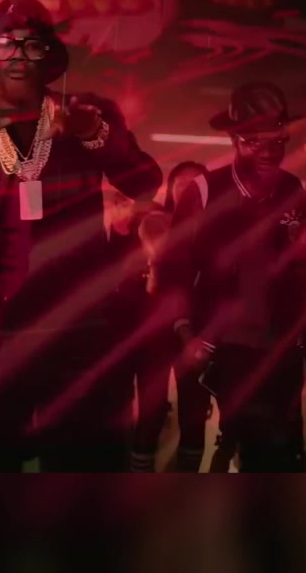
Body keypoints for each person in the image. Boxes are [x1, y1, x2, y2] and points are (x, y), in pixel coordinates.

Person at [0, 0, 162, 472]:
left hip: (79, 321)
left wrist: (95, 135)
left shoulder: (84, 116)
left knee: (84, 466)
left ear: (48, 59)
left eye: (32, 46)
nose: (19, 57)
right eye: (7, 46)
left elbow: (146, 181)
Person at [161, 82, 306, 473]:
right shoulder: (204, 191)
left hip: (282, 341)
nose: (268, 151)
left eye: (277, 141)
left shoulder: (295, 191)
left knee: (284, 444)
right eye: (255, 142)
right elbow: (175, 268)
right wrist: (185, 331)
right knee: (259, 439)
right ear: (234, 139)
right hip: (225, 342)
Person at [122, 160, 214, 473]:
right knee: (151, 411)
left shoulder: (214, 227)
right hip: (157, 330)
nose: (187, 189)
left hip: (199, 327)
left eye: (195, 183)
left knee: (194, 411)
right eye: (181, 183)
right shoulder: (155, 221)